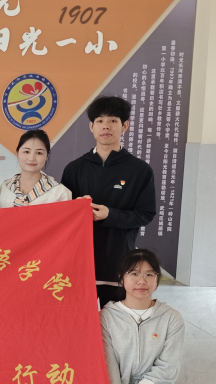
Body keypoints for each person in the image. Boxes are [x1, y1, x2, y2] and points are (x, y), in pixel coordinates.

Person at [95, 248, 190, 384]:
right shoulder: (104, 318)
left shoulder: (171, 318)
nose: (142, 281)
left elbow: (167, 368)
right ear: (121, 278)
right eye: (134, 273)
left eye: (149, 274)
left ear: (157, 279)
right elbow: (107, 367)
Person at [60, 96, 155, 309]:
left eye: (113, 120)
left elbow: (145, 214)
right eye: (100, 121)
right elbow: (63, 213)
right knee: (79, 317)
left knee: (115, 319)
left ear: (125, 126)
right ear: (91, 127)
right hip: (80, 259)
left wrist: (110, 215)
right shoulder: (74, 168)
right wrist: (75, 206)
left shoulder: (140, 170)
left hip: (118, 259)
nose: (106, 126)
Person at [0, 129, 71, 208]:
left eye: (39, 153)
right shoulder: (4, 187)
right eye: (26, 152)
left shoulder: (59, 192)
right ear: (17, 153)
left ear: (47, 156)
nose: (31, 158)